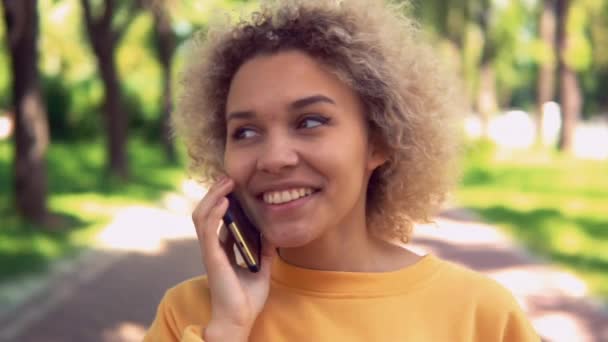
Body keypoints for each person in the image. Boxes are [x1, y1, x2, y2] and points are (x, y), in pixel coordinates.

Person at [144, 0, 540, 341]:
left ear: (380, 141)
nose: (274, 158)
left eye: (310, 121)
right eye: (245, 131)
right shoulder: (189, 315)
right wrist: (229, 329)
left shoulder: (482, 317)